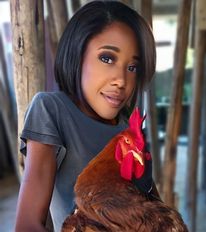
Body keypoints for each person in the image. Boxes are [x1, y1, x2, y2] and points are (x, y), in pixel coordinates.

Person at [14, 1, 156, 231]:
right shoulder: (52, 109)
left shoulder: (128, 131)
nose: (121, 80)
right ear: (77, 54)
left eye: (132, 68)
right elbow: (27, 224)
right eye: (107, 58)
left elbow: (153, 209)